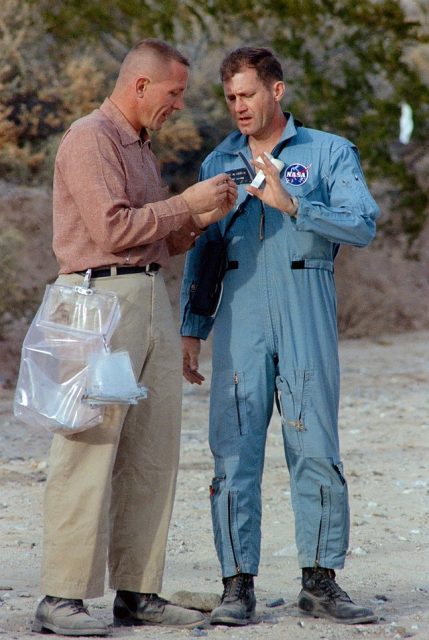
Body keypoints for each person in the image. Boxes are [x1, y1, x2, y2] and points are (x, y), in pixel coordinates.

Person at [32, 38, 237, 637]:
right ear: (142, 85)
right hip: (96, 304)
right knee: (87, 448)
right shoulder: (89, 137)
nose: (179, 104)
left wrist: (200, 218)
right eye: (175, 93)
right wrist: (184, 202)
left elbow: (155, 239)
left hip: (146, 299)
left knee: (152, 453)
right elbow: (113, 227)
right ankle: (60, 597)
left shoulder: (139, 147)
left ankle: (137, 593)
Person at [180, 47, 380, 626]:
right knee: (234, 451)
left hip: (305, 302)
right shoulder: (219, 162)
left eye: (248, 94)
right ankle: (236, 586)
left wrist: (292, 203)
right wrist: (193, 327)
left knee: (314, 444)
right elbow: (204, 252)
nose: (239, 107)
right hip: (240, 316)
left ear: (277, 91)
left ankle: (320, 581)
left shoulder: (328, 152)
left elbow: (362, 222)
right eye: (231, 98)